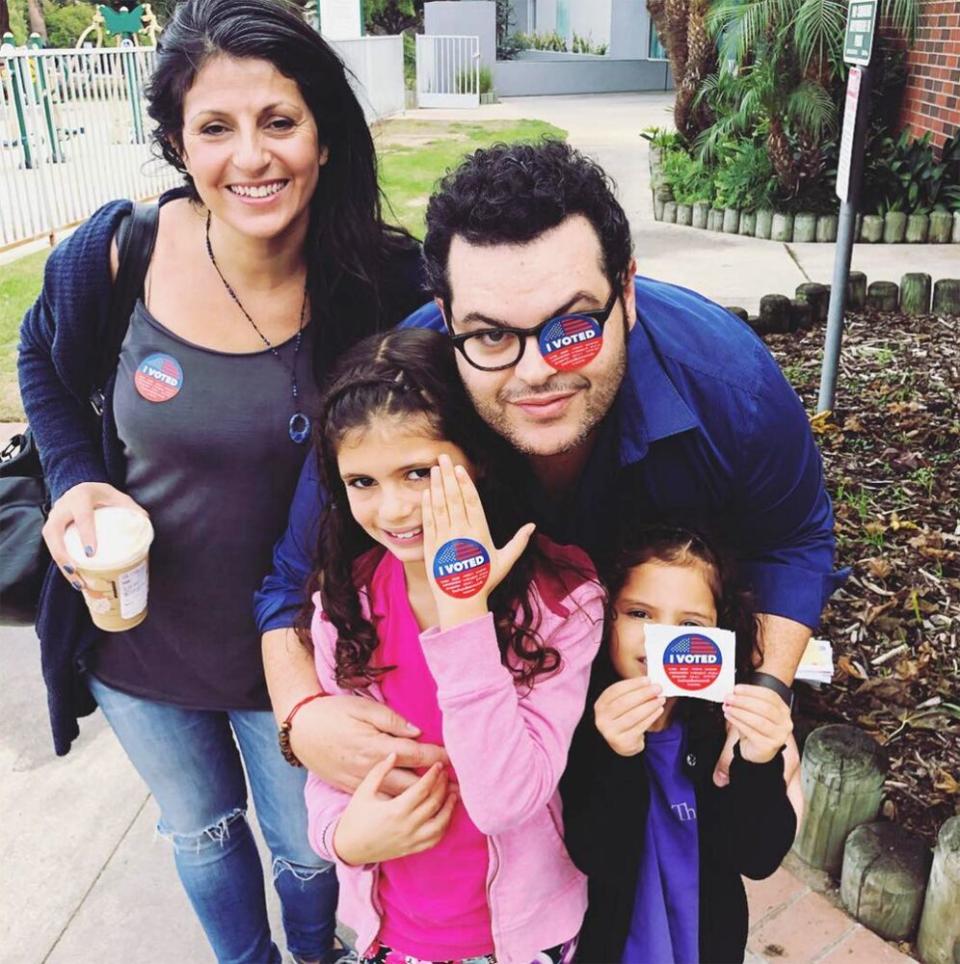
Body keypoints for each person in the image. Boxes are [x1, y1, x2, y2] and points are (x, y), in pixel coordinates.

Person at [17, 1, 424, 960]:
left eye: (279, 121)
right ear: (176, 143)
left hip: (306, 656)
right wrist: (76, 479)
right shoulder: (119, 253)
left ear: (323, 135)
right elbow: (39, 359)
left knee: (310, 850)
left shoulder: (384, 283)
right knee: (199, 832)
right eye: (216, 128)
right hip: (137, 644)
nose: (253, 157)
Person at [255, 139, 845, 799]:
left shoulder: (733, 389)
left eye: (571, 328)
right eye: (491, 335)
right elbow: (289, 579)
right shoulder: (399, 395)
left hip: (661, 720)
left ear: (626, 291)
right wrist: (300, 716)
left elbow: (792, 541)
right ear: (447, 315)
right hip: (492, 753)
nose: (537, 373)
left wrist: (765, 691)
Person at [299, 329, 604, 964]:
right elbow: (338, 766)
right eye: (362, 482)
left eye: (418, 472)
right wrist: (341, 837)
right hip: (393, 933)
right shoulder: (345, 605)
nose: (393, 508)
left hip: (519, 941)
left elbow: (503, 802)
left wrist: (462, 612)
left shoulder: (562, 602)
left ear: (478, 458)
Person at [560, 525, 800, 963]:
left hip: (703, 945)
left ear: (720, 635)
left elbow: (758, 856)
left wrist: (759, 762)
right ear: (606, 611)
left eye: (689, 624)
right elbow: (595, 855)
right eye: (639, 613)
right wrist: (617, 754)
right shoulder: (577, 719)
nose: (661, 640)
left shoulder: (723, 727)